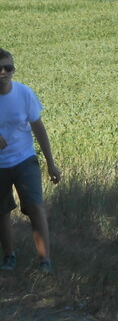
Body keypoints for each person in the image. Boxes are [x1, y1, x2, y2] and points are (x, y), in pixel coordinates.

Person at [0, 48, 62, 274]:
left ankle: (45, 261)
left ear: (13, 70)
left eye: (8, 68)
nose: (3, 72)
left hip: (25, 158)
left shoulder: (24, 94)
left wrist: (51, 163)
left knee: (36, 206)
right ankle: (9, 256)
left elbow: (39, 129)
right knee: (2, 211)